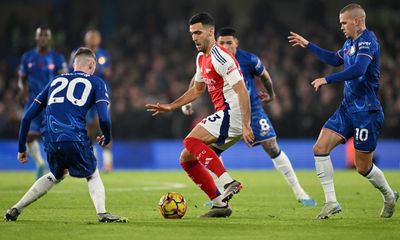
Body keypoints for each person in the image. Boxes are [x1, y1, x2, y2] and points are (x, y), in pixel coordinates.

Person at [183, 27, 316, 206]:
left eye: (229, 42)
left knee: (271, 146)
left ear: (236, 43)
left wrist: (272, 95)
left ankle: (299, 191)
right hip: (228, 111)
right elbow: (197, 77)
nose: (225, 45)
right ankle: (220, 195)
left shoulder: (249, 59)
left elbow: (266, 76)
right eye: (222, 42)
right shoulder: (212, 57)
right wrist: (187, 101)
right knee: (211, 150)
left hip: (253, 110)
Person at [288, 3, 398, 219]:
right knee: (320, 147)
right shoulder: (349, 43)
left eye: (344, 22)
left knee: (362, 167)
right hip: (347, 109)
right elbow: (334, 59)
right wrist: (308, 45)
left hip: (367, 111)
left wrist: (327, 79)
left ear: (357, 21)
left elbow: (358, 69)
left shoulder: (368, 41)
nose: (341, 27)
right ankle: (331, 202)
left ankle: (389, 195)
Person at [146, 12, 254, 218]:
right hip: (228, 116)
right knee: (187, 158)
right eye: (191, 33)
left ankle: (228, 182)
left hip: (234, 114)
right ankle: (220, 205)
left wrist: (247, 124)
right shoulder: (201, 58)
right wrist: (171, 106)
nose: (194, 37)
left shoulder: (221, 57)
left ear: (210, 32)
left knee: (191, 141)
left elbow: (242, 90)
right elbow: (197, 89)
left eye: (198, 32)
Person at [4, 47, 126, 223]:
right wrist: (107, 137)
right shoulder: (97, 82)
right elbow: (104, 119)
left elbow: (27, 117)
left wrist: (21, 147)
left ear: (73, 65)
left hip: (51, 139)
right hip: (74, 136)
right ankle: (103, 213)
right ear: (92, 64)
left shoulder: (55, 81)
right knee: (92, 172)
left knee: (56, 174)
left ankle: (16, 209)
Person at [18, 27, 68, 179]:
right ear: (36, 37)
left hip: (53, 103)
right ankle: (40, 164)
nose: (43, 38)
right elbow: (22, 78)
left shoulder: (57, 57)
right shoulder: (28, 57)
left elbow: (65, 77)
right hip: (34, 101)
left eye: (46, 35)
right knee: (29, 135)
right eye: (40, 35)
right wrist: (23, 90)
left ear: (50, 38)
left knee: (57, 135)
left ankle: (60, 166)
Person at [69, 30, 113, 172]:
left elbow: (108, 73)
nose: (93, 40)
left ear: (99, 40)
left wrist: (103, 70)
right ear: (86, 39)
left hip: (100, 94)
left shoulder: (103, 54)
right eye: (91, 37)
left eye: (95, 37)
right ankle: (91, 161)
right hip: (83, 95)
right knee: (87, 129)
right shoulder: (77, 54)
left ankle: (108, 162)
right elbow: (71, 71)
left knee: (102, 125)